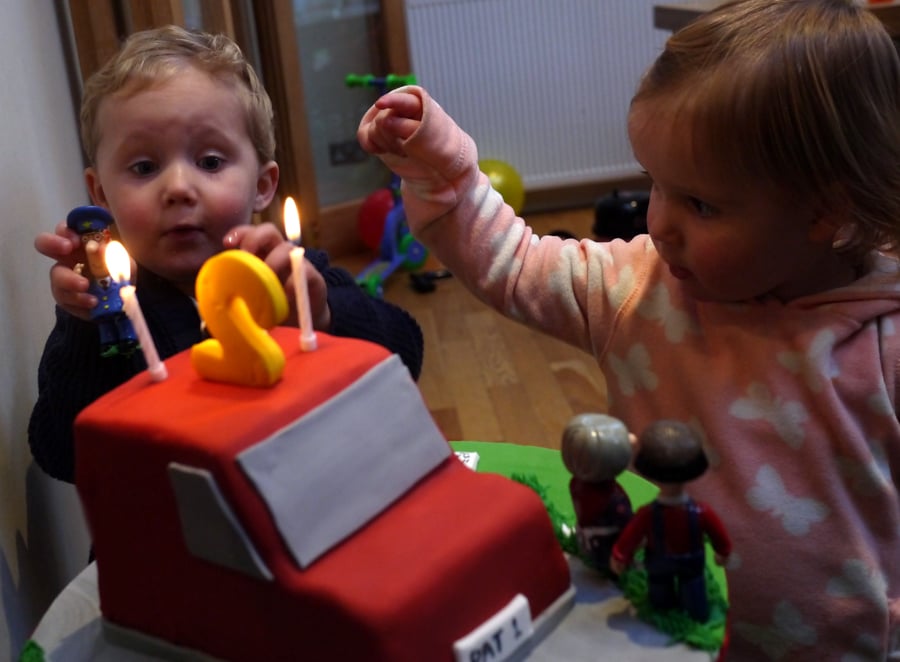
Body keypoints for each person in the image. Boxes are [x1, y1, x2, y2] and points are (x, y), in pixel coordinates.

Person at [357, 0, 900, 657]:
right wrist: (448, 177)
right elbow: (515, 263)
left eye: (701, 204)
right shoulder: (641, 288)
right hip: (659, 637)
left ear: (826, 209)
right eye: (654, 185)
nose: (660, 224)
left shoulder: (885, 342)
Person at [29, 25, 423, 485]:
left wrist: (325, 314)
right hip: (170, 540)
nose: (178, 188)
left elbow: (405, 355)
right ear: (100, 194)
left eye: (211, 162)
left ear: (262, 186)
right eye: (144, 167)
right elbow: (60, 454)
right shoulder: (104, 319)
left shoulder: (291, 276)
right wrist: (86, 324)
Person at [610, 420, 731, 623]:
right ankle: (679, 613)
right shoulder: (700, 512)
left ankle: (687, 613)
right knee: (667, 598)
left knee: (681, 599)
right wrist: (723, 551)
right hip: (682, 563)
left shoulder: (650, 514)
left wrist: (620, 555)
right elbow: (719, 535)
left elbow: (631, 536)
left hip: (663, 562)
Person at [560, 413, 633, 575]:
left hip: (586, 540)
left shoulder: (576, 483)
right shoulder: (615, 500)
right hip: (608, 551)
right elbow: (628, 529)